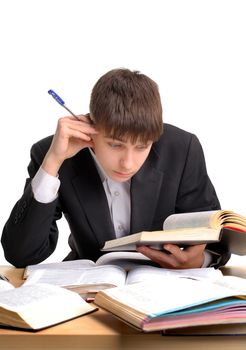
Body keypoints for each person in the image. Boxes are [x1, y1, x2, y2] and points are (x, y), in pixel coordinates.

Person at [1, 68, 230, 269]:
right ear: (90, 127)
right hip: (89, 289)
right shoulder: (53, 153)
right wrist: (52, 163)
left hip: (163, 288)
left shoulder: (182, 149)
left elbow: (216, 237)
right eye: (115, 145)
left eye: (142, 147)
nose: (128, 163)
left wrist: (199, 261)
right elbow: (21, 255)